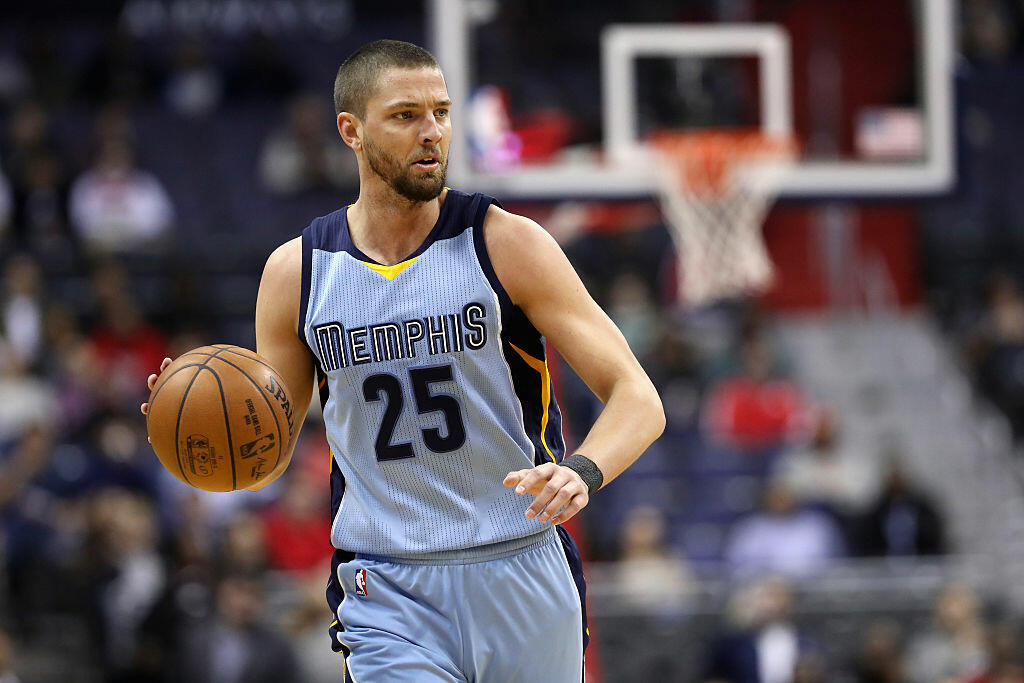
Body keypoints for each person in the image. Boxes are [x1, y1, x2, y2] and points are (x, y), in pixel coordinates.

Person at [142, 39, 665, 681]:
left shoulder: (508, 244)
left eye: (441, 112)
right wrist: (195, 426)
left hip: (521, 561)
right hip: (388, 583)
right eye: (406, 115)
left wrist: (584, 469)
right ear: (351, 132)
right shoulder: (298, 273)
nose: (432, 132)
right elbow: (265, 453)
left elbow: (638, 397)